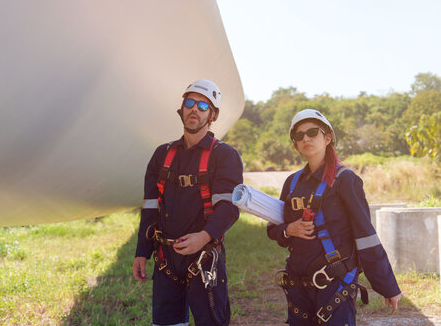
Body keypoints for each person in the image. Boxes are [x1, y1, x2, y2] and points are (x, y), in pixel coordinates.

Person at [267, 109, 401, 325]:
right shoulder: (292, 184)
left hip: (334, 285)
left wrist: (388, 286)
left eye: (312, 132)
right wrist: (288, 230)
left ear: (327, 138)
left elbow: (366, 236)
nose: (306, 139)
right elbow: (273, 229)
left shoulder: (345, 180)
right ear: (295, 145)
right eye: (299, 136)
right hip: (298, 287)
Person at [132, 79, 243, 326]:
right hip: (166, 259)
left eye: (203, 106)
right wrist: (142, 252)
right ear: (181, 110)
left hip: (204, 257)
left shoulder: (224, 155)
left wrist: (203, 237)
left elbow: (229, 208)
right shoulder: (162, 154)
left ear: (212, 115)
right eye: (190, 103)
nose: (195, 109)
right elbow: (150, 207)